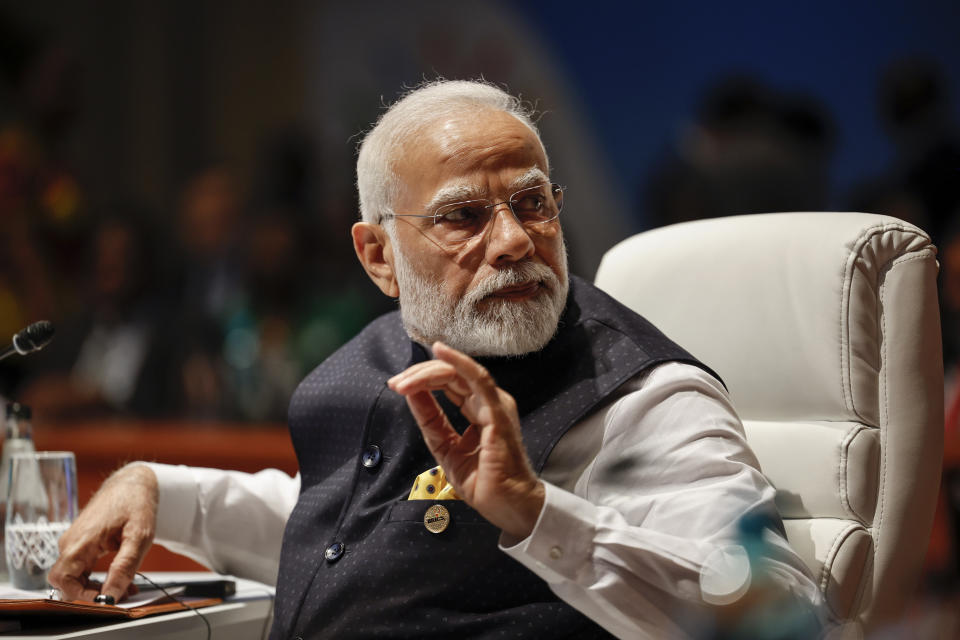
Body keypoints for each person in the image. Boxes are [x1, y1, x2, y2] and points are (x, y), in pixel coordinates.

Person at [50, 80, 827, 638]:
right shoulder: (383, 356)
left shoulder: (641, 399)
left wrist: (536, 512)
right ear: (379, 256)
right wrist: (155, 486)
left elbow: (779, 612)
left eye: (531, 203)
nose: (517, 241)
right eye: (463, 216)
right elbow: (343, 527)